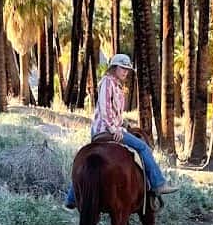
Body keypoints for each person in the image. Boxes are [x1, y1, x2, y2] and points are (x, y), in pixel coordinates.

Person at [65, 54, 177, 208]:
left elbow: (114, 111)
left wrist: (123, 123)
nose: (125, 72)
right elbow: (104, 108)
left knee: (85, 158)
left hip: (112, 127)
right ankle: (158, 183)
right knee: (143, 147)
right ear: (114, 67)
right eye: (122, 68)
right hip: (105, 129)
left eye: (127, 69)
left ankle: (72, 198)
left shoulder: (117, 86)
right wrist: (113, 128)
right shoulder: (107, 82)